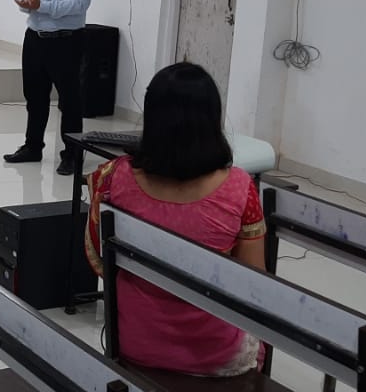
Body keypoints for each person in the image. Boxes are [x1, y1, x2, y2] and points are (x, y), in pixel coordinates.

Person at [84, 62, 265, 377]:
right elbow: (252, 285)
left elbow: (100, 262)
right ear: (212, 119)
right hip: (215, 354)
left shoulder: (112, 178)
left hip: (131, 342)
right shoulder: (240, 188)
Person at [2, 0, 98, 176]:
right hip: (35, 38)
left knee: (69, 101)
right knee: (35, 97)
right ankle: (33, 147)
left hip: (66, 41)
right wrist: (25, 2)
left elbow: (79, 4)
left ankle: (71, 155)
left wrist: (41, 5)